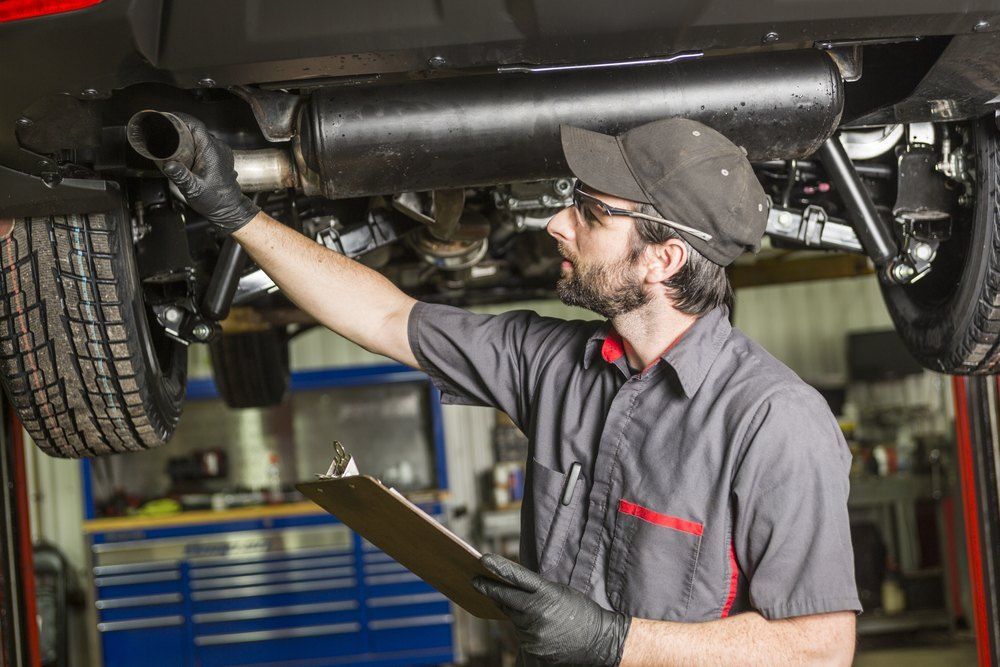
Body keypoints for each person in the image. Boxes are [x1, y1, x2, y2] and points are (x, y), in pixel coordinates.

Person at [160, 115, 861, 666]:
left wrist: (615, 642)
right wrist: (236, 215)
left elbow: (820, 648)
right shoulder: (552, 363)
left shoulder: (775, 421)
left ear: (663, 258)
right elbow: (386, 315)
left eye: (591, 211)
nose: (559, 223)